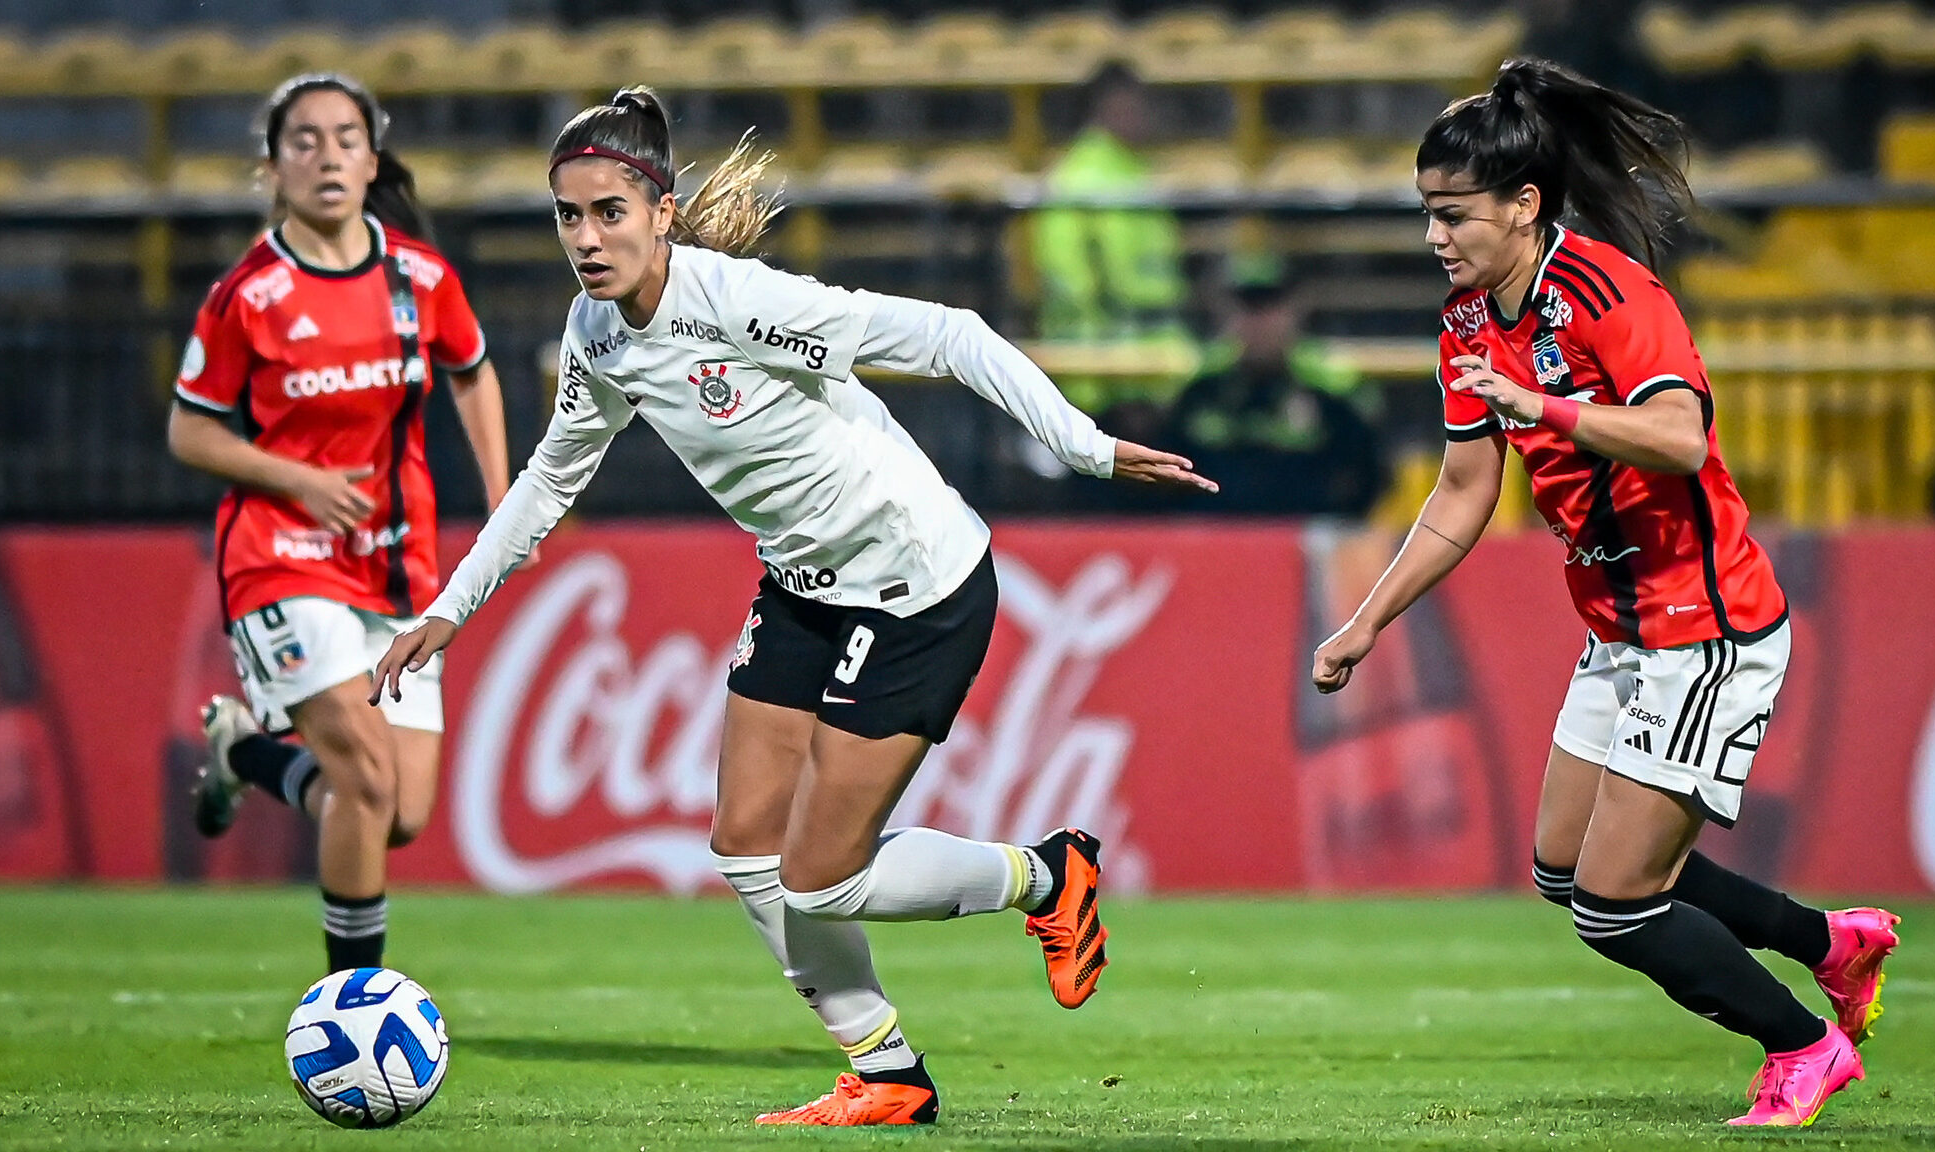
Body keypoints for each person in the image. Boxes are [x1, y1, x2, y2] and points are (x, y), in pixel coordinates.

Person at [370, 87, 1216, 1127]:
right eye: (567, 215)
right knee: (742, 846)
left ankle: (1045, 876)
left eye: (609, 213)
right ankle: (885, 1072)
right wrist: (451, 609)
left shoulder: (735, 303)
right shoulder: (598, 331)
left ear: (661, 211)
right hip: (805, 585)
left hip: (916, 584)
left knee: (819, 879)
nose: (586, 239)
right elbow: (551, 478)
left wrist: (1082, 446)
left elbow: (950, 334)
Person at [1308, 59, 1899, 1128]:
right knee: (1564, 869)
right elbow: (1458, 494)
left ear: (1522, 203)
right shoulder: (1466, 322)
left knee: (1616, 904)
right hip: (1618, 636)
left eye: (1452, 215)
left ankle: (1804, 1046)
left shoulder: (1608, 292)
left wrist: (1541, 405)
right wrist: (1364, 622)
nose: (1434, 237)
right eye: (1425, 215)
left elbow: (1679, 436)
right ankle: (1830, 945)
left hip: (1702, 626)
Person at [168, 74, 518, 974]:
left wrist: (504, 496)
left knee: (396, 811)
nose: (326, 155)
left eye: (345, 138)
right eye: (305, 141)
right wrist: (296, 479)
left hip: (398, 565)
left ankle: (243, 751)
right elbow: (189, 427)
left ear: (372, 158)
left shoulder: (419, 276)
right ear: (273, 169)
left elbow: (472, 371)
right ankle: (351, 1016)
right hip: (281, 554)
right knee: (362, 780)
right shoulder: (246, 293)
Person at [1031, 61, 1195, 424]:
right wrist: (1117, 380)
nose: (1145, 118)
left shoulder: (1136, 172)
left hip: (1153, 368)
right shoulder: (1080, 180)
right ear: (1107, 107)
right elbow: (1076, 289)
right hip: (1106, 380)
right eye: (1136, 107)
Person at [1164, 257, 1389, 516]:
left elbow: (1366, 473)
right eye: (1247, 307)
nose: (1259, 322)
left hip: (1310, 537)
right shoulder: (1198, 387)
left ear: (1296, 309)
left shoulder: (1334, 387)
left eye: (1271, 305)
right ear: (1224, 313)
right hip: (1213, 535)